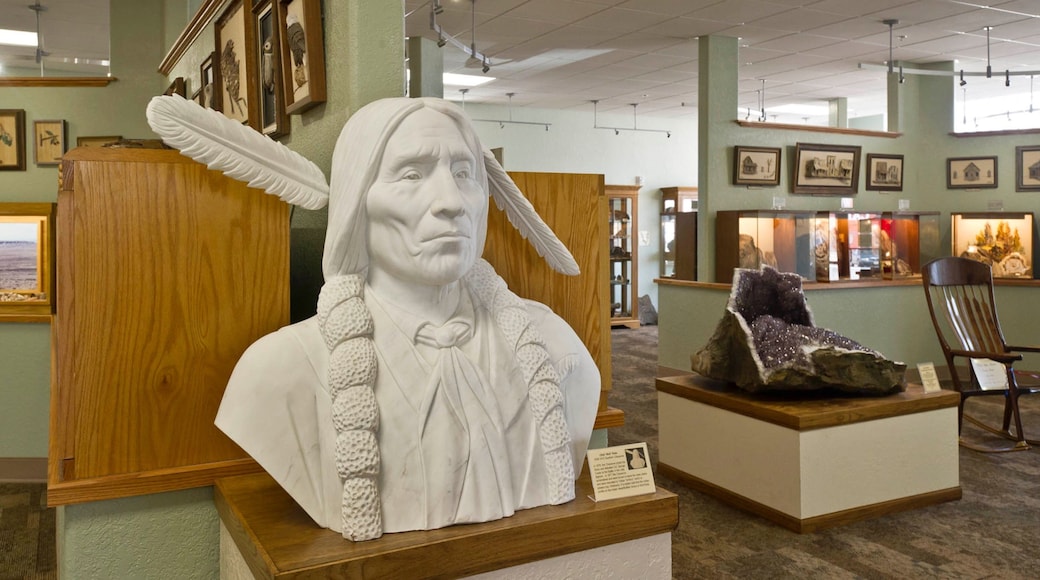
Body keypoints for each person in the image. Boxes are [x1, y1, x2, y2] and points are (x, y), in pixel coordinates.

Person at [214, 97, 600, 541]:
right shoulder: (277, 371)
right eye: (412, 175)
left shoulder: (554, 346)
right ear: (356, 201)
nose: (451, 202)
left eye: (464, 174)